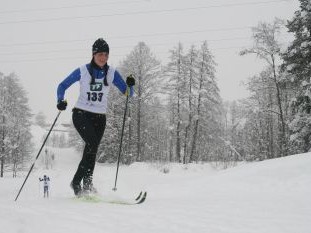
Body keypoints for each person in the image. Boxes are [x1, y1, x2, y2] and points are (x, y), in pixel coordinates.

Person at [56, 38, 135, 197]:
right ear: (93, 54)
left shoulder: (111, 72)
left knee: (92, 150)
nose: (103, 57)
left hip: (100, 118)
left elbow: (128, 93)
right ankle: (77, 181)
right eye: (100, 54)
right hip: (81, 114)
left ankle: (87, 183)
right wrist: (60, 100)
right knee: (92, 144)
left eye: (106, 54)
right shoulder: (82, 70)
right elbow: (62, 85)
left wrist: (131, 84)